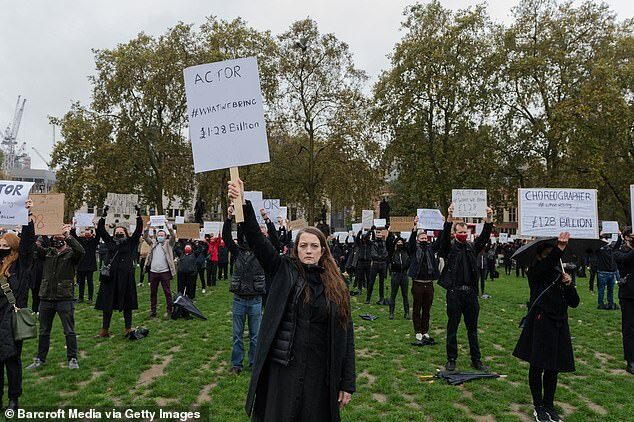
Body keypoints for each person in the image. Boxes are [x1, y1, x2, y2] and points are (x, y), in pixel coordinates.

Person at [228, 179, 355, 422]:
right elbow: (256, 238)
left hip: (320, 374)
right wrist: (242, 202)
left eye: (314, 246)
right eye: (303, 245)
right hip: (283, 369)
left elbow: (346, 336)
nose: (308, 250)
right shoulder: (284, 270)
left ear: (323, 251)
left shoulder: (338, 286)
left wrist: (347, 382)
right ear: (296, 250)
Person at [513, 233, 579, 422]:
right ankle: (538, 406)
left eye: (555, 254)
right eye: (549, 254)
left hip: (559, 322)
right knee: (538, 365)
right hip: (541, 322)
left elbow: (574, 303)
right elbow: (544, 268)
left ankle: (549, 404)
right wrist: (558, 249)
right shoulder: (535, 272)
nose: (555, 257)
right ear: (540, 256)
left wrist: (569, 285)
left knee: (553, 367)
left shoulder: (561, 274)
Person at [438, 203, 493, 372]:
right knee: (452, 327)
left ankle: (476, 359)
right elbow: (444, 239)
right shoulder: (450, 248)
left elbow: (484, 237)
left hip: (470, 294)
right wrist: (449, 217)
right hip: (454, 293)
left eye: (464, 232)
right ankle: (451, 359)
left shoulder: (471, 247)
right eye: (460, 232)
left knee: (472, 329)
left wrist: (489, 219)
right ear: (455, 234)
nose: (462, 235)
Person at [27, 222, 85, 370]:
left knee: (69, 330)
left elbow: (81, 251)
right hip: (46, 297)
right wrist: (30, 224)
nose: (57, 238)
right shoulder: (47, 253)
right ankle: (40, 358)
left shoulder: (71, 254)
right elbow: (31, 245)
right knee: (44, 331)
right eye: (55, 235)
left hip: (64, 298)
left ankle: (72, 358)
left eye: (60, 236)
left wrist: (68, 235)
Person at [223, 205, 265, 375]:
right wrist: (228, 218)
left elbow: (275, 241)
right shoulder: (236, 252)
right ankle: (237, 364)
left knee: (255, 336)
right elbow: (226, 237)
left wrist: (266, 221)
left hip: (255, 299)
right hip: (239, 299)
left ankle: (254, 363)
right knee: (237, 336)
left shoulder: (261, 251)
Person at [0, 199, 34, 411]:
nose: (2, 248)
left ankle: (14, 398)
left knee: (12, 361)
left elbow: (29, 245)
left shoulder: (22, 264)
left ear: (13, 247)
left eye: (5, 246)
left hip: (11, 319)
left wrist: (28, 218)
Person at [94, 206, 143, 337]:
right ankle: (104, 329)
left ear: (126, 233)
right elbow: (100, 230)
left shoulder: (131, 243)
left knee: (128, 304)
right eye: (117, 232)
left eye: (121, 232)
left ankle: (128, 327)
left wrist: (139, 214)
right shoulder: (110, 242)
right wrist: (103, 215)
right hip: (110, 278)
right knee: (107, 304)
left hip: (125, 278)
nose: (119, 233)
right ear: (114, 233)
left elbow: (139, 230)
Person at [408, 216, 443, 345]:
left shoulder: (431, 249)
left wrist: (443, 225)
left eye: (425, 238)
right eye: (421, 238)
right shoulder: (414, 249)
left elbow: (440, 241)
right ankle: (417, 330)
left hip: (429, 284)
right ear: (418, 239)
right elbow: (411, 243)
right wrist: (415, 227)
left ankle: (425, 330)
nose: (424, 240)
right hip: (417, 283)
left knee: (427, 309)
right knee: (417, 308)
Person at [144, 223, 176, 318]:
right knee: (153, 292)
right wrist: (148, 227)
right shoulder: (153, 243)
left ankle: (169, 310)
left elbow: (173, 236)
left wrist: (167, 225)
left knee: (167, 292)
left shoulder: (168, 244)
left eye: (162, 235)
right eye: (159, 235)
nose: (160, 237)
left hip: (165, 272)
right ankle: (153, 311)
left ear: (165, 237)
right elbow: (145, 237)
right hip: (153, 272)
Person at [613, 228, 634, 375]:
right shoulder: (621, 250)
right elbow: (623, 260)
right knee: (629, 329)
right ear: (626, 237)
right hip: (629, 296)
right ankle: (631, 360)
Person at [71, 224, 100, 304]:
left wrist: (96, 227)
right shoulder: (81, 240)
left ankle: (90, 298)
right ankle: (80, 297)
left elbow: (98, 236)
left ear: (91, 233)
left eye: (88, 232)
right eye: (85, 232)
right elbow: (74, 237)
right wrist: (73, 227)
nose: (87, 234)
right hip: (82, 263)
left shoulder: (94, 241)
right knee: (81, 282)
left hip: (90, 264)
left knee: (90, 281)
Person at [596, 234, 620, 310]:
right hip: (607, 272)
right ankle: (608, 303)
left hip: (605, 273)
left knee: (603, 290)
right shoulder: (605, 250)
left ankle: (603, 303)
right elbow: (618, 245)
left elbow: (617, 245)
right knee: (609, 290)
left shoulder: (602, 250)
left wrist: (599, 237)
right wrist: (619, 236)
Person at [389, 236, 410, 320]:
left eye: (401, 243)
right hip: (395, 275)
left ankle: (407, 312)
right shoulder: (393, 252)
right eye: (398, 243)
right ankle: (391, 312)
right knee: (393, 294)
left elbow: (410, 244)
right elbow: (389, 244)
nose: (399, 244)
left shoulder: (406, 252)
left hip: (404, 275)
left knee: (405, 295)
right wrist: (390, 232)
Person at [367, 227, 389, 305]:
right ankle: (368, 298)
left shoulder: (384, 243)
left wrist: (388, 229)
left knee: (381, 283)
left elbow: (386, 253)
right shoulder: (373, 243)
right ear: (375, 235)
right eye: (377, 234)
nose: (379, 236)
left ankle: (381, 298)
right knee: (371, 282)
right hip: (375, 264)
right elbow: (366, 239)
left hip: (383, 265)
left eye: (380, 235)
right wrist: (370, 230)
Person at [355, 229, 372, 298]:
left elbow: (367, 238)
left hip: (367, 262)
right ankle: (359, 289)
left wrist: (370, 231)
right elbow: (357, 239)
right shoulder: (360, 244)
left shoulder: (369, 244)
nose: (364, 239)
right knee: (360, 276)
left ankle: (368, 288)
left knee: (368, 276)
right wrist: (359, 232)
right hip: (361, 262)